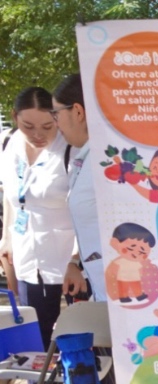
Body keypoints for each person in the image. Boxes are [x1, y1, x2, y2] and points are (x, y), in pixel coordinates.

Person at [0, 87, 77, 347]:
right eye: (28, 126)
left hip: (67, 258)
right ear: (15, 117)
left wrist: (76, 259)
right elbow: (13, 196)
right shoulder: (9, 143)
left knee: (80, 334)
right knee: (35, 334)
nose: (38, 135)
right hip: (25, 255)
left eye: (47, 125)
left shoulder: (71, 148)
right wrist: (6, 240)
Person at [51, 74, 107, 302]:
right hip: (104, 293)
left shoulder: (106, 161)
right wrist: (76, 261)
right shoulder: (88, 156)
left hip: (125, 299)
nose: (56, 123)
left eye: (55, 114)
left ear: (77, 112)